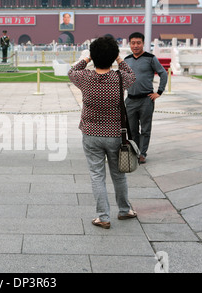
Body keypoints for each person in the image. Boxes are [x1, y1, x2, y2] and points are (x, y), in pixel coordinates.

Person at [68, 36, 137, 229]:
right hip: (116, 134)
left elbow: (71, 71)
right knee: (119, 175)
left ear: (93, 55)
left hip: (91, 133)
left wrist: (88, 58)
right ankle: (124, 210)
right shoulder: (120, 78)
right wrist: (120, 59)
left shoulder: (85, 78)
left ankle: (103, 216)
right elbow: (132, 74)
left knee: (97, 175)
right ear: (113, 55)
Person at [125, 32, 168, 164]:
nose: (136, 45)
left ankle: (142, 154)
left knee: (145, 129)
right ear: (130, 44)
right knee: (131, 129)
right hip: (130, 100)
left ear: (143, 44)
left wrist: (159, 92)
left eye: (138, 43)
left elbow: (163, 73)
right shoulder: (126, 60)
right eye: (133, 43)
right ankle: (134, 151)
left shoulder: (150, 58)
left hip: (146, 100)